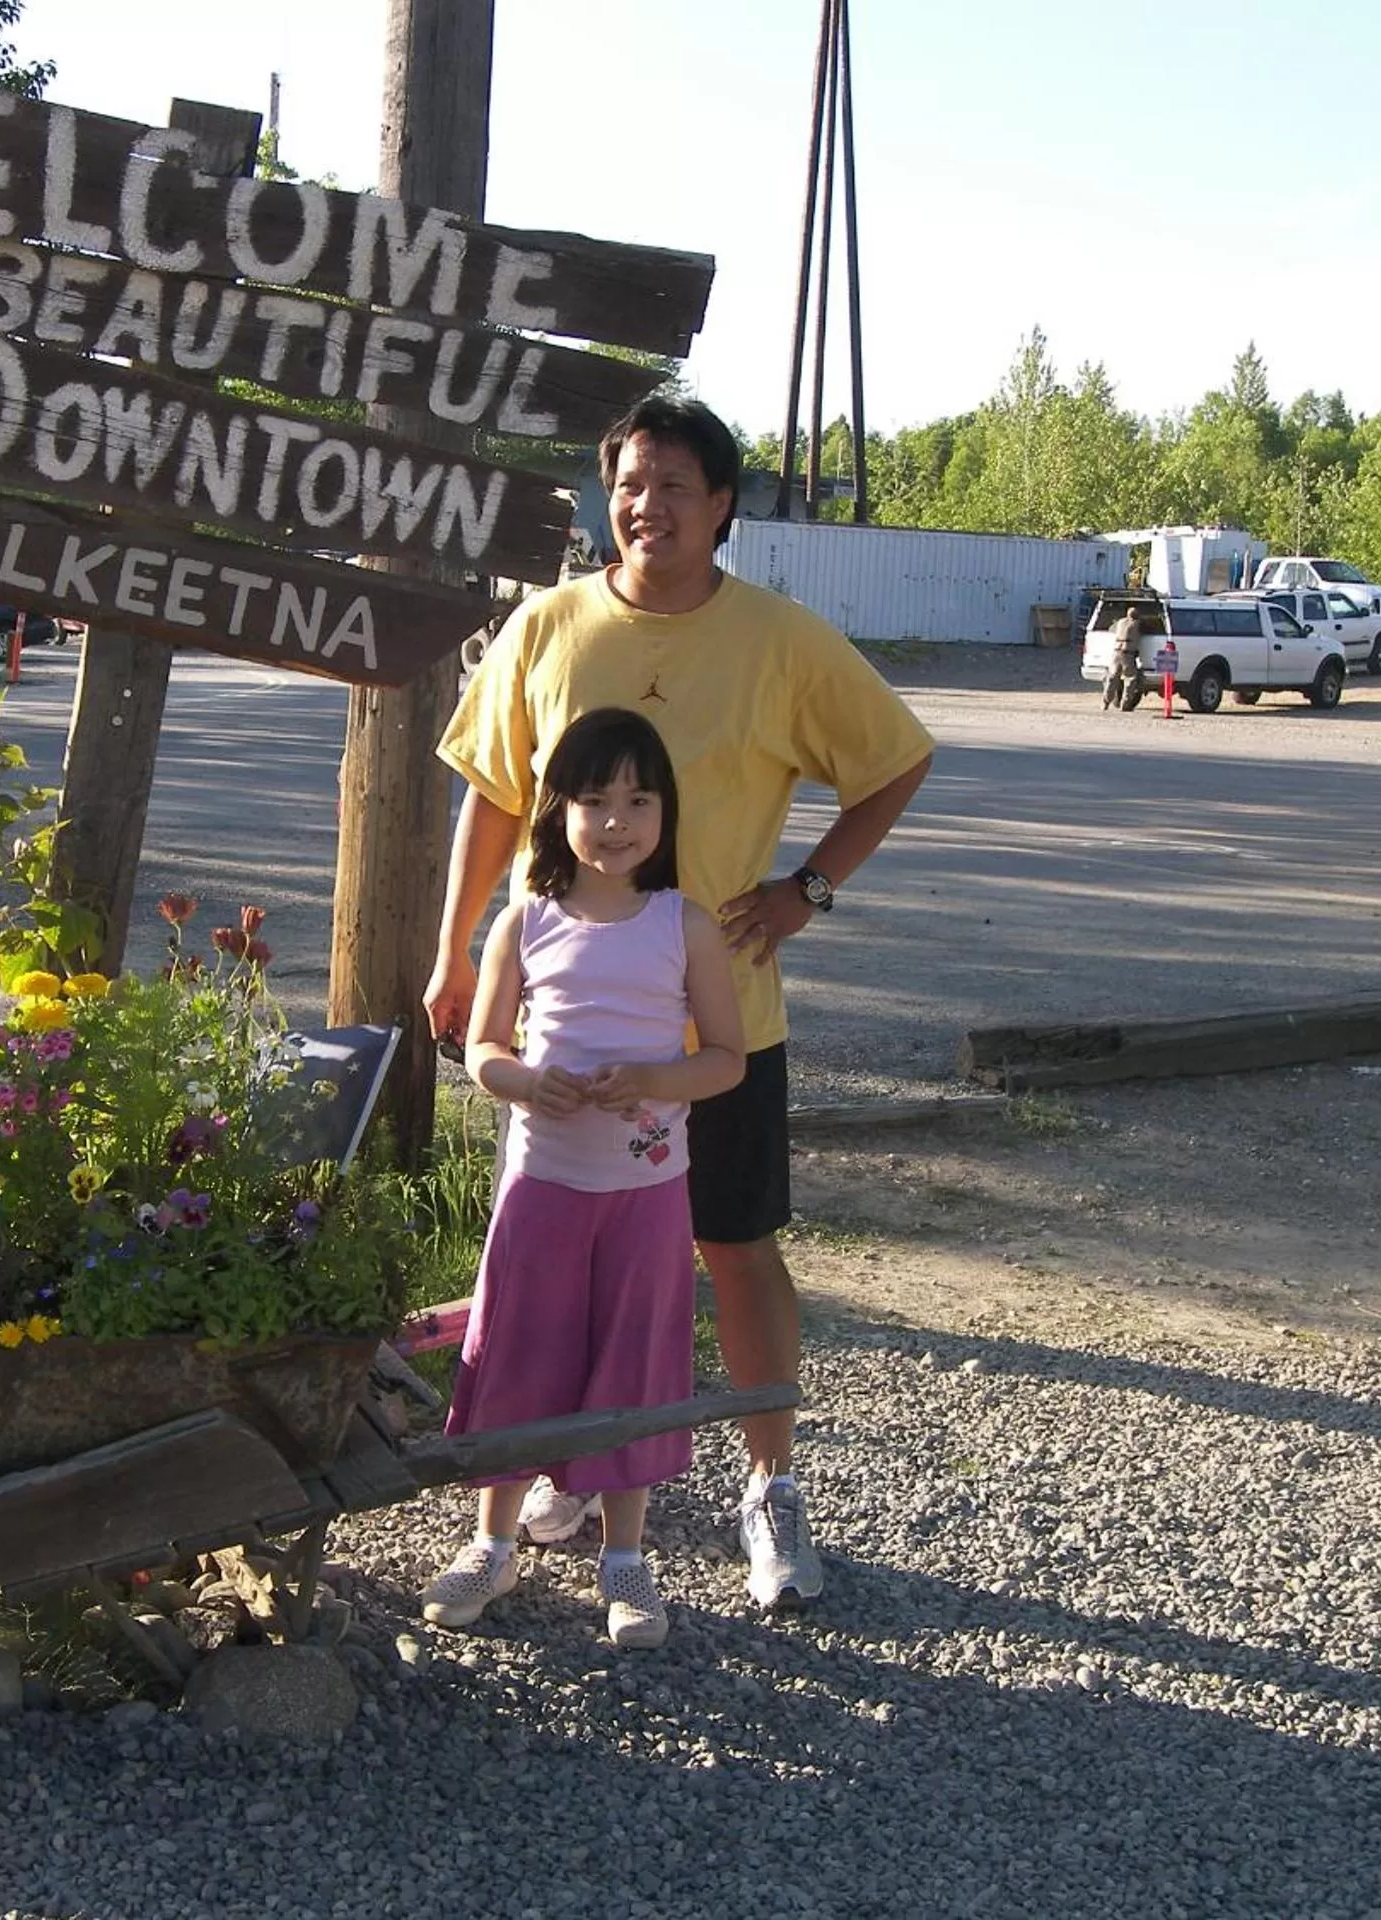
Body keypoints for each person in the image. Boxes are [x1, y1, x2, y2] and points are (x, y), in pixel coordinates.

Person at [428, 393, 934, 1611]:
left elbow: (894, 758)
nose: (647, 505)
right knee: (562, 1260)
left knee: (732, 1249)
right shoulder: (547, 628)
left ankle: (771, 1484)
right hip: (567, 1042)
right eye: (629, 482)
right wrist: (453, 957)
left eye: (673, 485)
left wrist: (809, 886)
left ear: (722, 507)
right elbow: (492, 804)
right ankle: (564, 1461)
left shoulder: (779, 639)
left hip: (719, 1029)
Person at [421, 706, 746, 1648]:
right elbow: (480, 1046)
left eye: (638, 799)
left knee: (633, 1366)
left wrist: (654, 1078)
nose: (617, 821)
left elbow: (725, 1058)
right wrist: (523, 1079)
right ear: (555, 811)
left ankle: (625, 1557)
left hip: (648, 1194)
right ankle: (494, 1539)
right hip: (542, 1185)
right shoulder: (524, 919)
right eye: (594, 800)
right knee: (520, 1348)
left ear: (665, 812)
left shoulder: (684, 924)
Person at [1103, 603, 1145, 712]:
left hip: (1116, 653)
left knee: (1112, 678)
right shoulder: (1137, 623)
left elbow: (1111, 628)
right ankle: (1125, 705)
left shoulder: (1120, 622)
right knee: (1130, 679)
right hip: (1128, 654)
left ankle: (1105, 702)